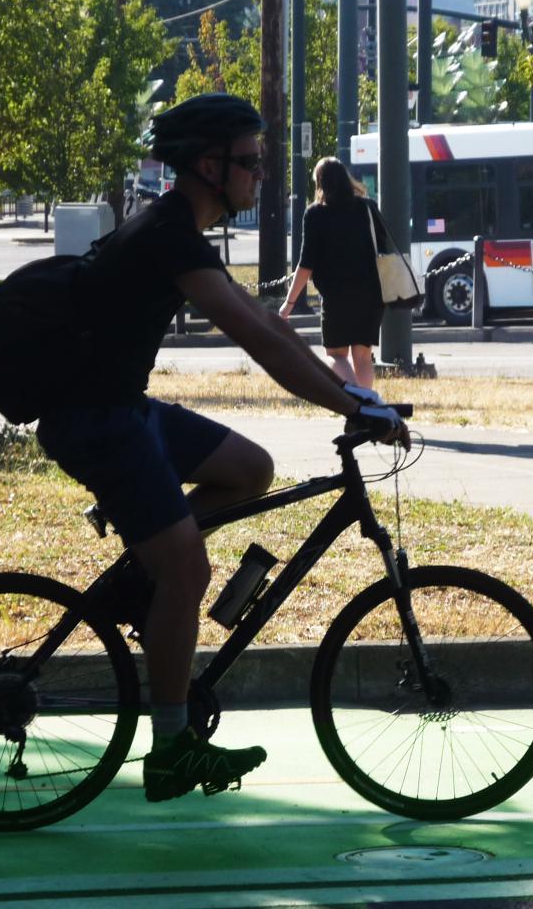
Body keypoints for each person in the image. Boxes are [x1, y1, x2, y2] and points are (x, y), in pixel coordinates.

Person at [34, 94, 406, 804]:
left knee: (250, 469)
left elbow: (269, 322)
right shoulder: (168, 234)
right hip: (95, 421)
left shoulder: (179, 229)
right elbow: (259, 340)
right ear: (211, 166)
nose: (261, 175)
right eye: (251, 162)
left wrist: (357, 395)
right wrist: (354, 404)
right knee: (189, 569)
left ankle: (147, 577)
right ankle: (172, 748)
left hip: (122, 409)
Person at [280, 157, 386, 389]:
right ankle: (368, 402)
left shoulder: (315, 214)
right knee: (363, 355)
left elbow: (306, 265)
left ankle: (359, 401)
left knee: (337, 355)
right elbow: (383, 246)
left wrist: (289, 303)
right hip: (371, 294)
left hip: (336, 296)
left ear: (321, 183)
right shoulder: (367, 207)